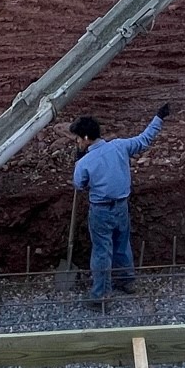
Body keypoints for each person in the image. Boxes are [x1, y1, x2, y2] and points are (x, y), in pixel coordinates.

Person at [69, 103, 171, 306]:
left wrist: (79, 161)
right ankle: (127, 281)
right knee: (122, 245)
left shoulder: (85, 163)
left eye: (78, 138)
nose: (77, 142)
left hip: (101, 211)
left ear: (86, 138)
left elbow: (79, 185)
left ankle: (101, 296)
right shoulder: (120, 146)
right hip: (121, 207)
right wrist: (159, 117)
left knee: (102, 252)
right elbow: (144, 139)